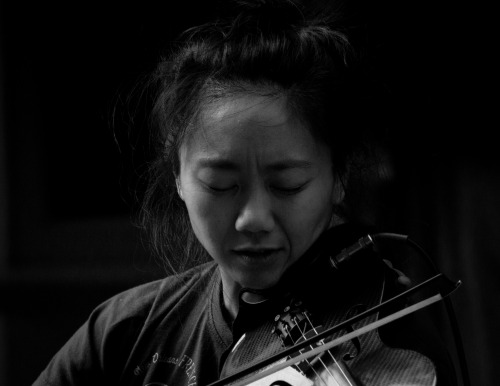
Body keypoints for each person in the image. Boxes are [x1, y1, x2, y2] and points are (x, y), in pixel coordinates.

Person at [33, 0, 458, 385]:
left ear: (339, 176)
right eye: (221, 185)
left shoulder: (393, 336)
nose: (253, 218)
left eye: (287, 185)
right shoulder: (121, 335)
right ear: (178, 176)